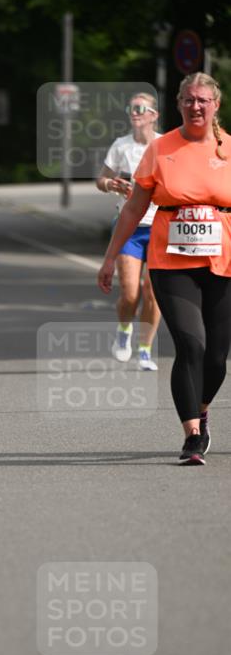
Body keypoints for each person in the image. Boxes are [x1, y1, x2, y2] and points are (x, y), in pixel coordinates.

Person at [98, 73, 231, 466]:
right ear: (179, 103)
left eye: (203, 100)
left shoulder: (228, 149)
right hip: (171, 261)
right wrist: (110, 258)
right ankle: (192, 433)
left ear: (216, 105)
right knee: (191, 343)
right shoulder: (161, 148)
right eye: (189, 100)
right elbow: (135, 208)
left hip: (222, 261)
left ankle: (202, 407)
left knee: (217, 359)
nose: (196, 106)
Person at [96, 93, 162, 370]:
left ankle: (145, 350)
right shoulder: (121, 145)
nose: (134, 112)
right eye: (130, 108)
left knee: (152, 292)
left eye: (140, 108)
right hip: (129, 227)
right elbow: (101, 179)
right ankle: (124, 331)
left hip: (160, 227)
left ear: (153, 115)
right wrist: (112, 184)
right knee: (131, 293)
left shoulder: (165, 145)